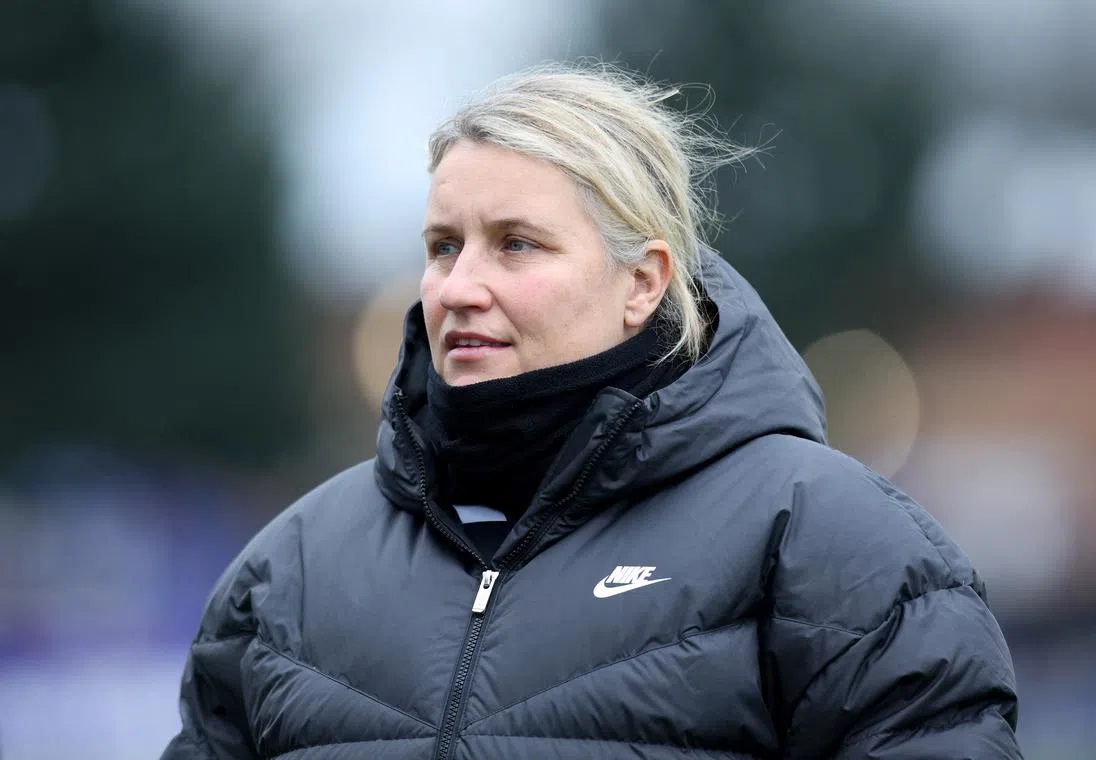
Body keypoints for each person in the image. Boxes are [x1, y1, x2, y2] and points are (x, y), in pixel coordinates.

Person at [161, 63, 1021, 759]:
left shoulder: (831, 544)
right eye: (442, 247)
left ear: (643, 282)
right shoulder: (291, 570)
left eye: (517, 244)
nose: (460, 287)